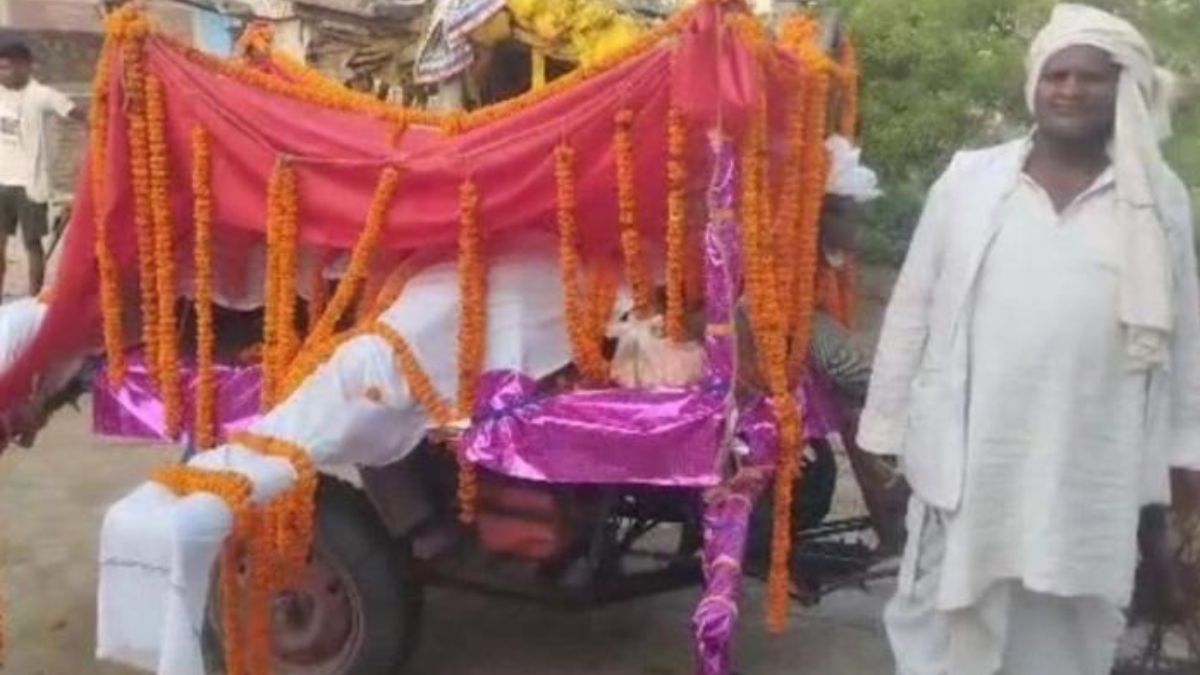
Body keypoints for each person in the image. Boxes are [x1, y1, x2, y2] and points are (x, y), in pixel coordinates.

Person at [858, 5, 1200, 675]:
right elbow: (913, 307)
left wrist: (1187, 456)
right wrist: (886, 436)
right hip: (971, 453)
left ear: (1124, 89)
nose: (1070, 89)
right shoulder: (969, 180)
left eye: (1091, 78)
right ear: (1035, 85)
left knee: (1066, 624)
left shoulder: (1158, 199)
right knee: (941, 620)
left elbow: (1185, 330)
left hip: (1086, 460)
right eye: (1057, 74)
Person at [0, 40, 85, 296]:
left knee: (32, 244)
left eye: (7, 68)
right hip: (2, 182)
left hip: (31, 185)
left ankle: (33, 296)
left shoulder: (43, 96)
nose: (3, 74)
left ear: (25, 66)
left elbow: (80, 115)